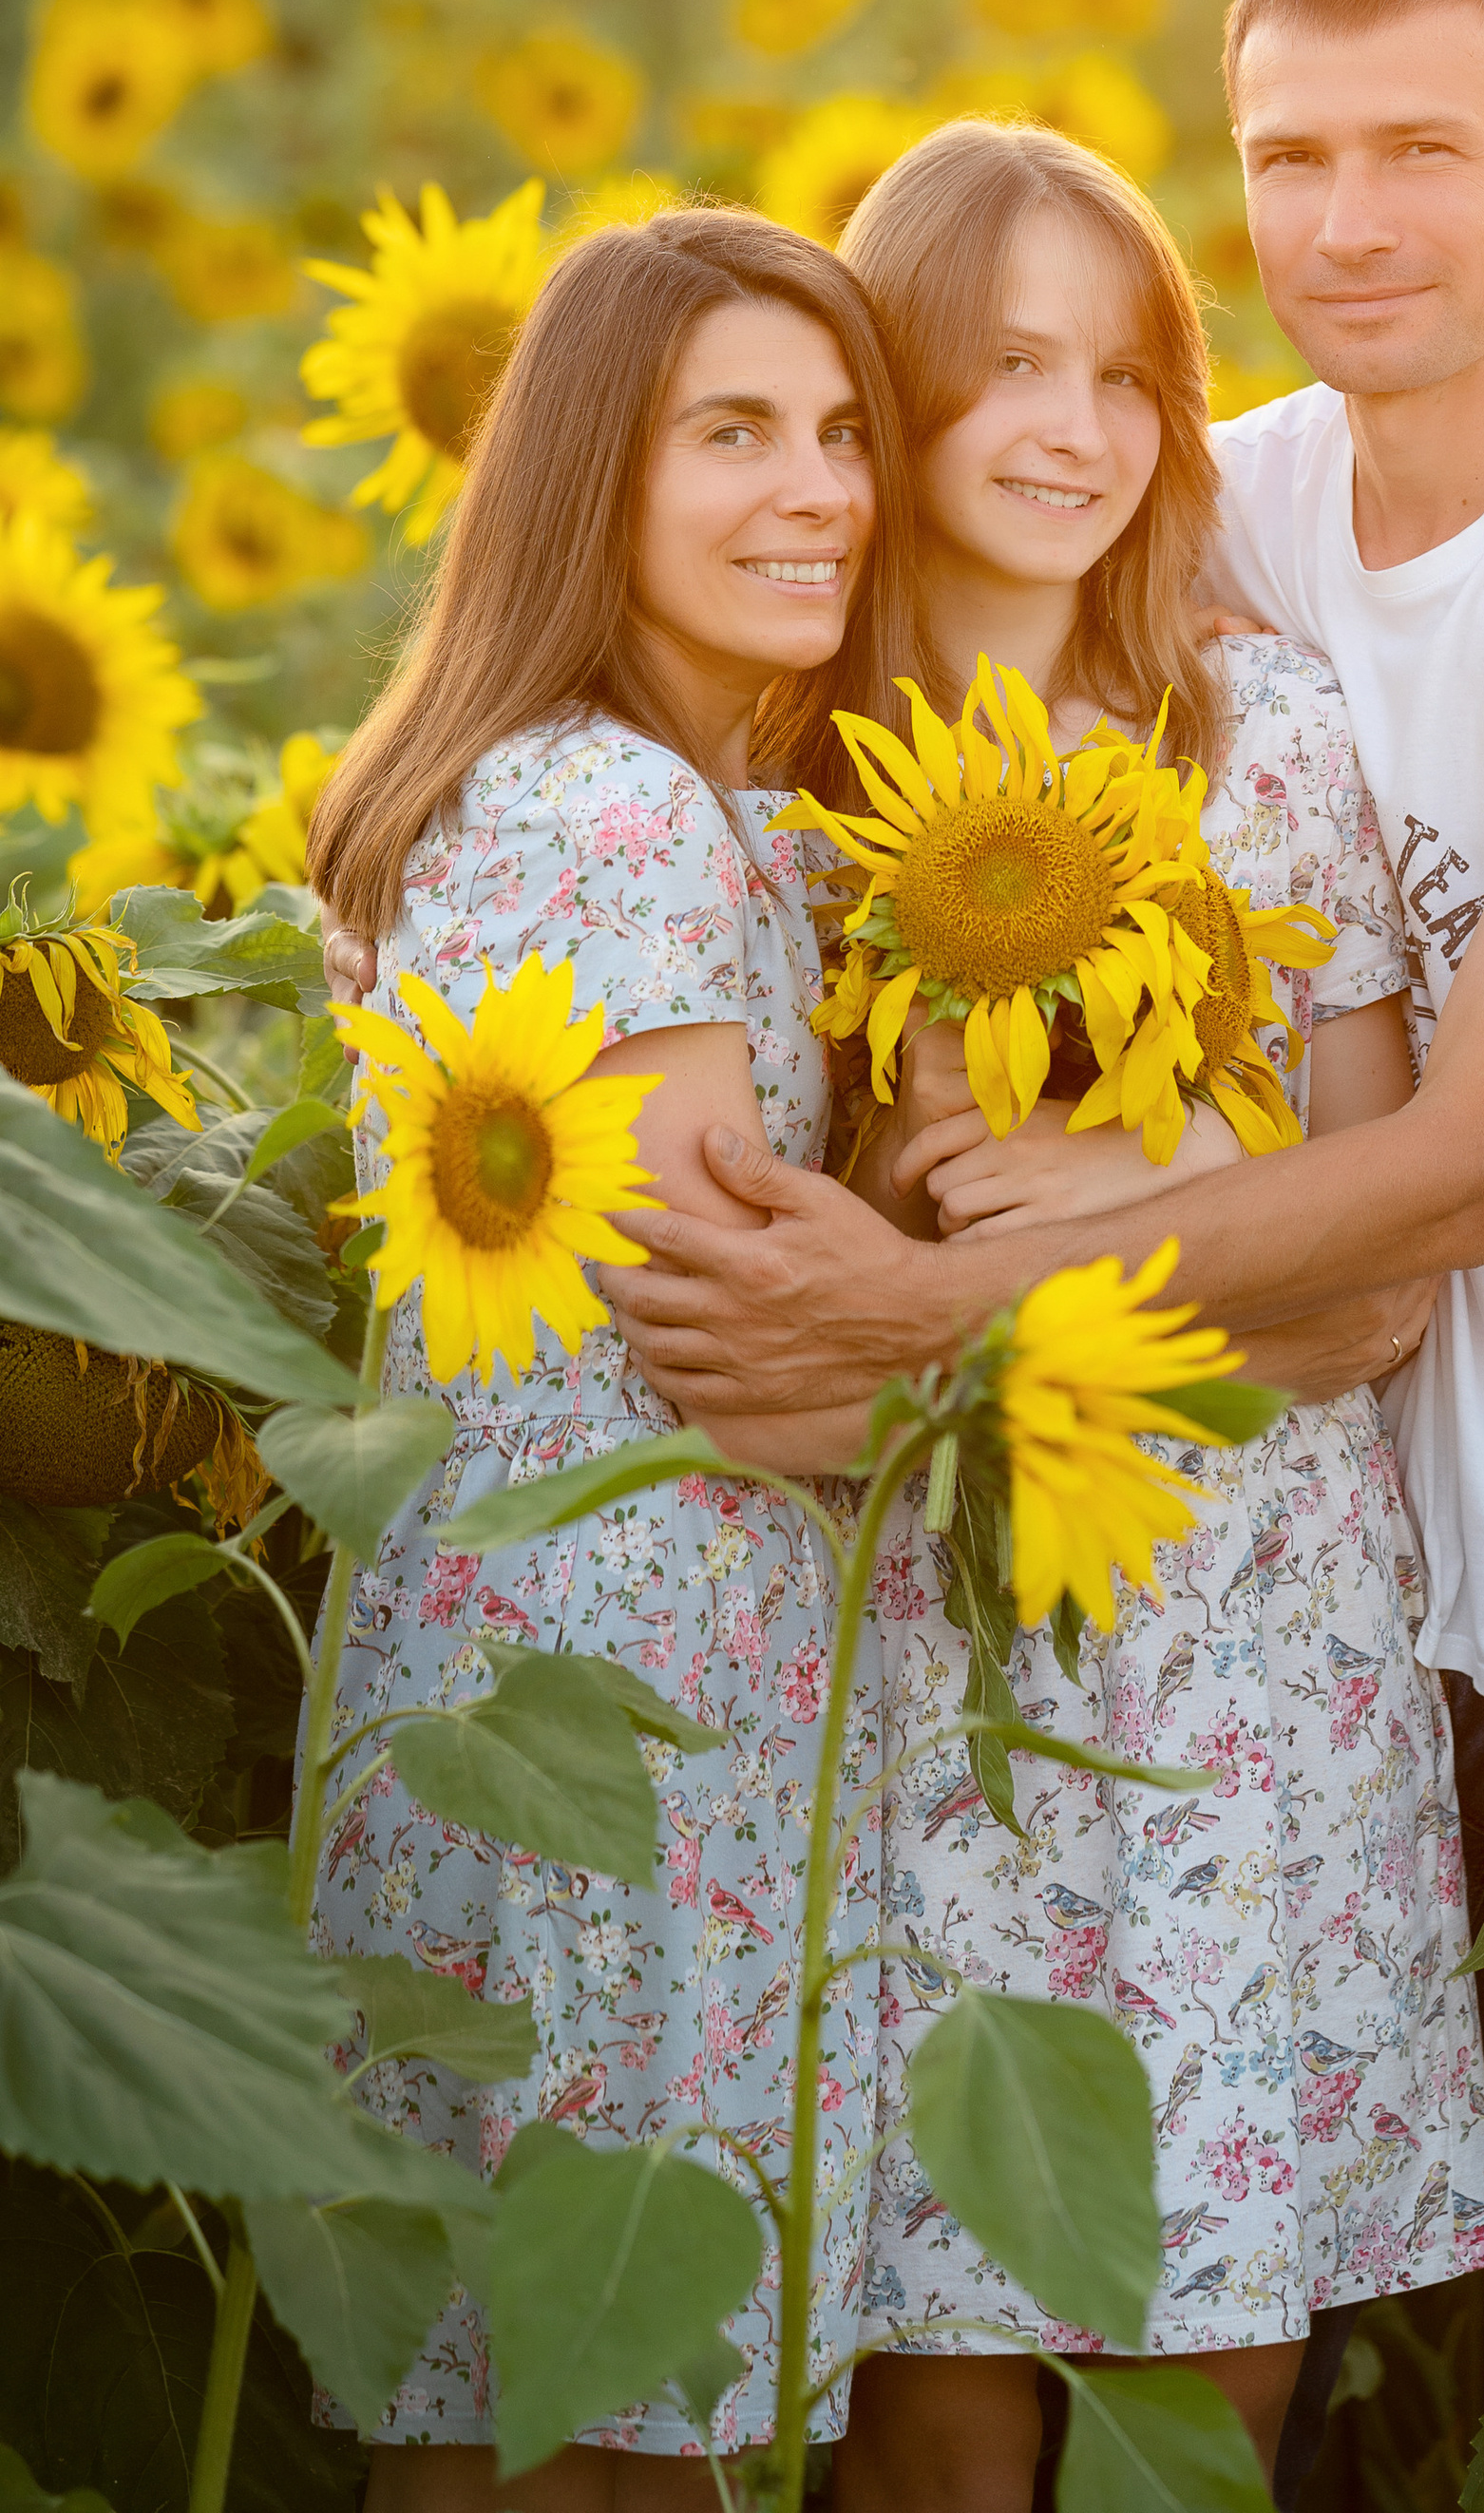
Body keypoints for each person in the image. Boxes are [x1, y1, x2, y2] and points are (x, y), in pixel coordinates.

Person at [603, 0, 1484, 2382]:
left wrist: (936, 1296)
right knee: (1233, 2248)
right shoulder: (1219, 507)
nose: (1349, 221)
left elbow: (1458, 1168)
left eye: (1421, 149)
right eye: (1292, 157)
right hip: (1291, 1551)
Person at [816, 121, 1484, 2512]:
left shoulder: (1254, 733)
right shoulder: (786, 771)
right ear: (895, 387)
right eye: (1007, 366)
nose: (1075, 430)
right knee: (935, 2366)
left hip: (1236, 1636)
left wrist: (1142, 1186)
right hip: (917, 1639)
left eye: (1125, 376)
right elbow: (794, 1270)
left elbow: (1377, 1259)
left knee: (1216, 2342)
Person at [306, 207, 918, 2504]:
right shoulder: (617, 809)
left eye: (842, 431)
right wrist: (1050, 1382)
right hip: (629, 1674)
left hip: (504, 1641)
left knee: (498, 2392)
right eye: (731, 434)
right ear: (591, 473)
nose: (816, 490)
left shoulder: (600, 783)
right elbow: (731, 1324)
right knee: (626, 2395)